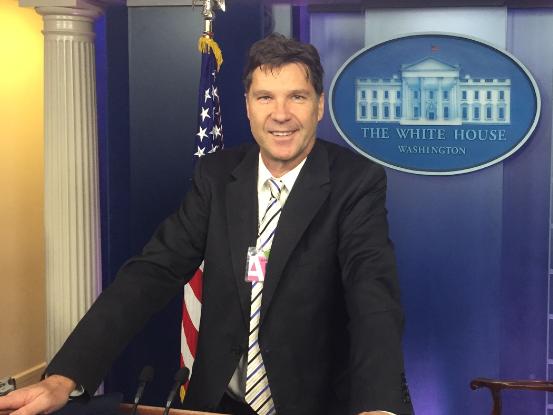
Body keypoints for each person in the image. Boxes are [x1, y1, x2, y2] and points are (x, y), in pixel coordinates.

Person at [0, 33, 413, 415]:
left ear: (319, 105)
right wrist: (66, 375)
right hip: (216, 402)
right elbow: (151, 272)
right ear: (247, 105)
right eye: (265, 96)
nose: (281, 114)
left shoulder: (355, 181)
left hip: (311, 402)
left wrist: (379, 404)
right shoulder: (216, 177)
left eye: (297, 97)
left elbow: (371, 292)